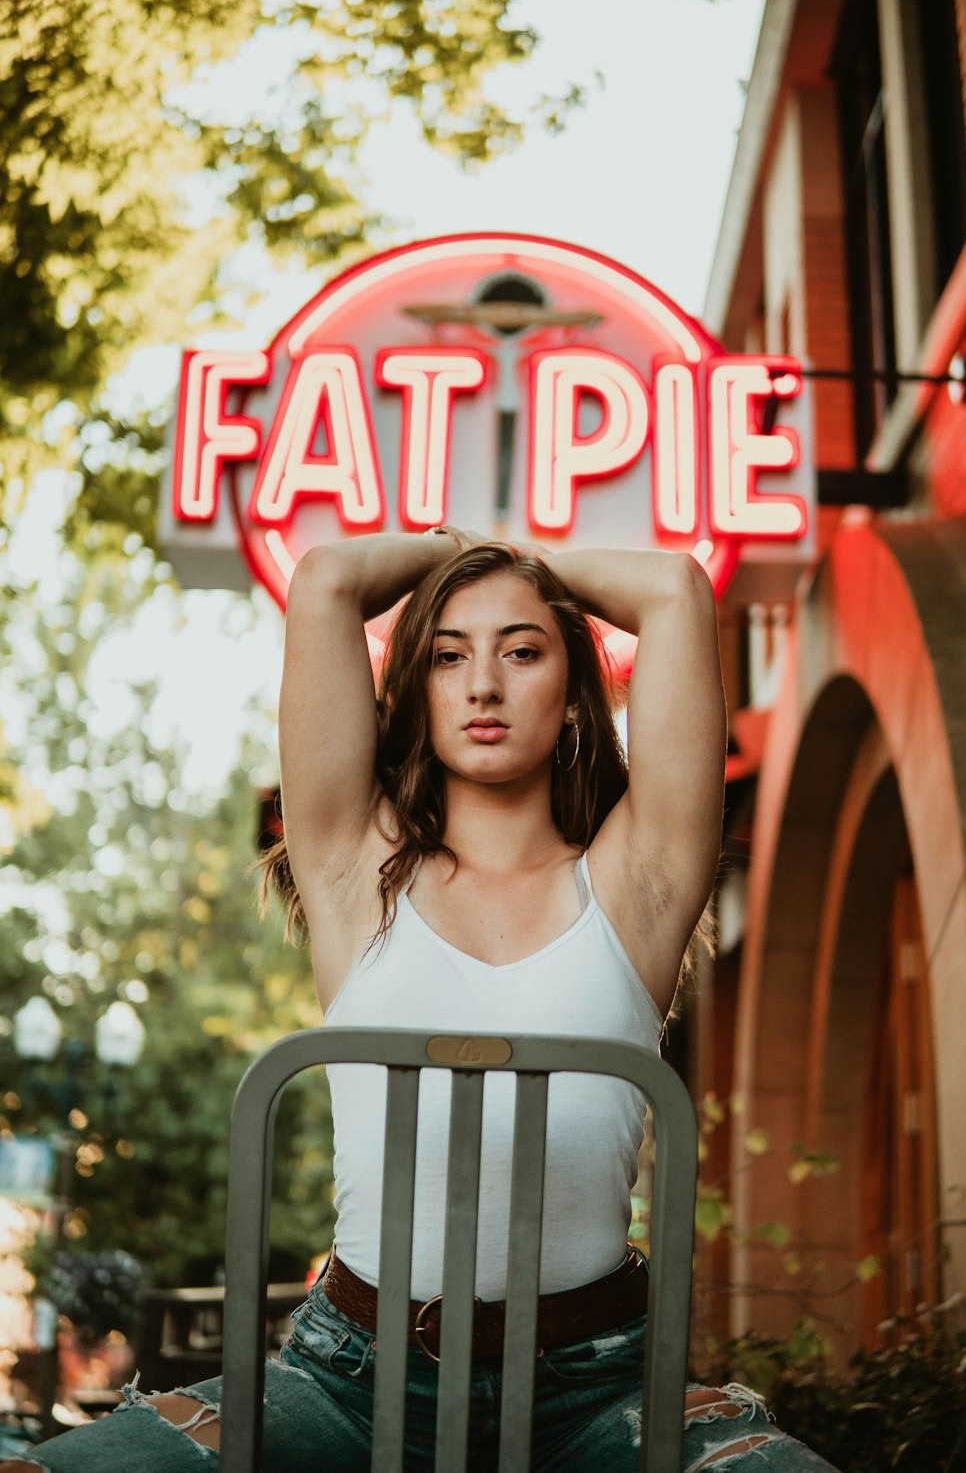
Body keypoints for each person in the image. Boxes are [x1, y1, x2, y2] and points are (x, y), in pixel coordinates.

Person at [4, 530, 839, 1471]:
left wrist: (515, 551)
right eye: (449, 656)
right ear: (418, 692)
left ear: (571, 699)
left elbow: (678, 589)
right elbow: (326, 580)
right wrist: (462, 547)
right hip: (348, 1381)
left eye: (522, 652)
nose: (483, 683)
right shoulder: (355, 875)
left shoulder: (635, 886)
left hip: (596, 1390)